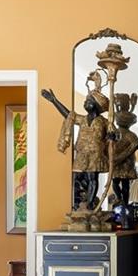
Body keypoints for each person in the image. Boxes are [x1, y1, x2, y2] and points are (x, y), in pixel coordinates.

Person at [41, 81, 110, 209]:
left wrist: (112, 136)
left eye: (88, 100)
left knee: (92, 178)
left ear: (96, 105)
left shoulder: (104, 122)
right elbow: (68, 114)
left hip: (96, 154)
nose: (85, 103)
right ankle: (78, 203)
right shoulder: (82, 119)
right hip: (81, 154)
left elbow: (114, 134)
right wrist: (54, 101)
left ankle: (90, 206)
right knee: (76, 177)